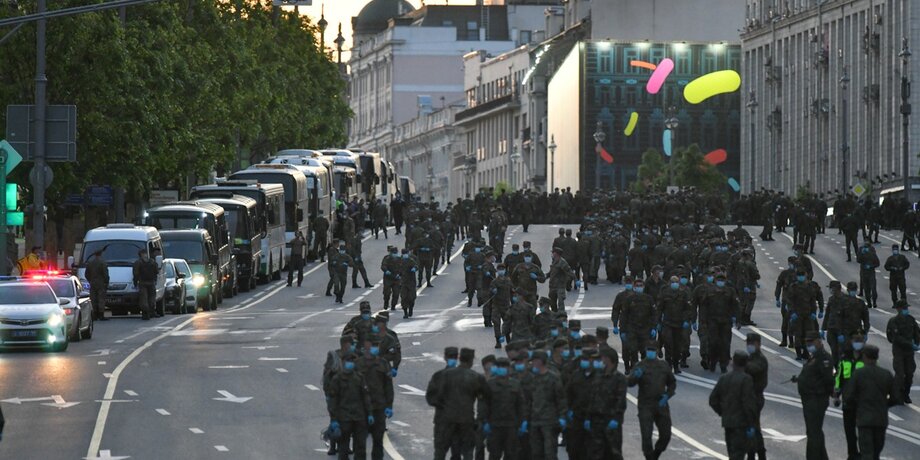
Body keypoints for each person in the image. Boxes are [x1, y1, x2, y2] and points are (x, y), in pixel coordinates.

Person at [843, 344, 899, 460]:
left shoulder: (858, 374)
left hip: (864, 419)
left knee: (867, 452)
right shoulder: (886, 374)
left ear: (864, 356)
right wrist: (884, 405)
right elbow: (896, 397)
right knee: (876, 452)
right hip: (881, 419)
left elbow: (848, 397)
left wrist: (858, 405)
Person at [627, 341, 676, 460]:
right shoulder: (640, 366)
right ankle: (649, 457)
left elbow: (672, 382)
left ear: (657, 351)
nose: (651, 352)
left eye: (653, 350)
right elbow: (630, 383)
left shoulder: (664, 366)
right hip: (645, 405)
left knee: (666, 434)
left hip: (661, 404)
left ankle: (656, 454)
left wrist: (667, 395)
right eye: (649, 350)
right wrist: (635, 376)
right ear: (645, 350)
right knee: (646, 435)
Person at [438, 348, 489, 460]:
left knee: (452, 451)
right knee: (467, 451)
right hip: (467, 420)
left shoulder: (446, 375)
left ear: (459, 358)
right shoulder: (476, 377)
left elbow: (436, 397)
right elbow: (485, 398)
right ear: (471, 361)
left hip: (449, 419)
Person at [792, 331, 834, 460]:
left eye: (811, 342)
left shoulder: (823, 358)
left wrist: (830, 393)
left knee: (813, 432)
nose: (808, 345)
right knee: (814, 431)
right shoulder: (814, 356)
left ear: (819, 341)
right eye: (807, 342)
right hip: (810, 399)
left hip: (816, 399)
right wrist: (800, 379)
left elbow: (828, 379)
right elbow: (813, 375)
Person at [709, 351, 758, 460]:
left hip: (728, 422)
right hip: (742, 424)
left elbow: (713, 400)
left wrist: (723, 412)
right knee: (738, 454)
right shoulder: (746, 380)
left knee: (732, 452)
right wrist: (751, 423)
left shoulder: (724, 378)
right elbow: (748, 404)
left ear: (733, 362)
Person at [326, 352, 372, 460]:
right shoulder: (337, 379)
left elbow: (366, 397)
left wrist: (370, 413)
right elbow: (333, 401)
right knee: (343, 447)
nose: (350, 363)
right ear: (343, 362)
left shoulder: (359, 378)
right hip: (344, 418)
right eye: (348, 361)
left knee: (360, 447)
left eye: (352, 361)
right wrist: (334, 419)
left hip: (359, 417)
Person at [586, 347, 628, 460]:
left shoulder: (619, 379)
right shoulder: (597, 376)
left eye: (602, 358)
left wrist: (616, 419)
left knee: (613, 453)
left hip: (611, 422)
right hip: (596, 422)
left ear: (609, 360)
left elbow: (621, 402)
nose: (600, 361)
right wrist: (588, 418)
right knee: (595, 454)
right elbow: (591, 398)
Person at [358, 337, 394, 460]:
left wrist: (389, 406)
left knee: (378, 441)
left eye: (377, 345)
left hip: (379, 407)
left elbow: (388, 387)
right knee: (360, 443)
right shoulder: (358, 364)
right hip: (361, 409)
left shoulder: (383, 364)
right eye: (373, 345)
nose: (375, 348)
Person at [526, 350, 567, 460]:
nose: (533, 363)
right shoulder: (532, 378)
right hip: (535, 420)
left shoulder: (553, 378)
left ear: (540, 361)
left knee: (550, 453)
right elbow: (528, 400)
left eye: (534, 361)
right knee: (536, 453)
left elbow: (561, 399)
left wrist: (562, 417)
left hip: (549, 421)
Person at [481, 357, 525, 460]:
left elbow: (521, 405)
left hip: (511, 426)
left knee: (511, 454)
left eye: (505, 366)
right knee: (494, 454)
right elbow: (485, 405)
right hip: (495, 425)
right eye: (500, 366)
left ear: (509, 368)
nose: (503, 369)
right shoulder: (490, 384)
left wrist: (522, 421)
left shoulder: (516, 384)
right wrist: (485, 421)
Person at [834, 331, 866, 459]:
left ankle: (864, 453)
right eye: (855, 341)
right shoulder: (845, 357)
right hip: (848, 398)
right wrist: (837, 394)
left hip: (863, 399)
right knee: (849, 429)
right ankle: (852, 453)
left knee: (863, 429)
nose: (857, 343)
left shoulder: (867, 358)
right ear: (851, 342)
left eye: (860, 341)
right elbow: (839, 376)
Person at [427, 347, 459, 459]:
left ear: (444, 357)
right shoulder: (464, 376)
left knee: (442, 453)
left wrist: (442, 405)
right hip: (455, 421)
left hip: (445, 421)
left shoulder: (438, 376)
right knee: (453, 454)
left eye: (453, 357)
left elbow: (430, 397)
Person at [886, 299, 920, 404]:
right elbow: (894, 337)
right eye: (904, 308)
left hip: (909, 352)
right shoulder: (893, 321)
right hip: (899, 351)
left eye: (906, 308)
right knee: (900, 374)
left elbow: (917, 332)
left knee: (909, 373)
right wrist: (910, 344)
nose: (906, 310)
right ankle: (897, 395)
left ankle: (906, 394)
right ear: (898, 309)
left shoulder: (911, 320)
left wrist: (917, 343)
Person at [744, 334, 768, 460]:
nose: (749, 346)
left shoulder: (760, 359)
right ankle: (755, 453)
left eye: (752, 344)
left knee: (753, 428)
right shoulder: (751, 358)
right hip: (749, 398)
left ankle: (756, 454)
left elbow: (754, 369)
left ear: (758, 344)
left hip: (755, 398)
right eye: (748, 343)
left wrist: (741, 364)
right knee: (752, 427)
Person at [546, 247, 576, 312]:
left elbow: (569, 271)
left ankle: (561, 315)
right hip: (552, 286)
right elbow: (551, 272)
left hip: (560, 286)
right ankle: (554, 315)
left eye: (553, 252)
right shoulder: (554, 261)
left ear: (556, 254)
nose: (552, 254)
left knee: (560, 303)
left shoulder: (562, 262)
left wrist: (575, 280)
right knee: (552, 303)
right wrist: (546, 276)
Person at [132, 249, 159, 320]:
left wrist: (135, 282)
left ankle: (145, 313)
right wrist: (155, 280)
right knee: (152, 298)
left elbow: (135, 274)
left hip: (142, 283)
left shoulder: (138, 262)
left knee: (144, 299)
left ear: (140, 255)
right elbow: (157, 271)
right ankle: (152, 312)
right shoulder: (152, 261)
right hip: (151, 282)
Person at [84, 249, 109, 321]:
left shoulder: (90, 263)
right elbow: (105, 274)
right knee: (101, 298)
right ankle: (101, 314)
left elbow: (86, 274)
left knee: (93, 298)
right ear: (101, 254)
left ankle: (95, 314)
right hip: (101, 283)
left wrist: (90, 280)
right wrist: (106, 282)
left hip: (93, 282)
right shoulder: (103, 262)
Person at [857, 242, 879, 309]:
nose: (865, 249)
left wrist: (871, 266)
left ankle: (874, 302)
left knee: (873, 288)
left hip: (871, 273)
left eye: (866, 247)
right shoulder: (862, 254)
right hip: (864, 272)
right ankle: (869, 303)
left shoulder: (873, 255)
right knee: (866, 289)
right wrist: (861, 254)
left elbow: (877, 263)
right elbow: (858, 260)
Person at [380, 246, 402, 311]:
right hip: (388, 278)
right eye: (393, 253)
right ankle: (386, 303)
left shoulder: (400, 259)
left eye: (396, 252)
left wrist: (400, 274)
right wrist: (386, 271)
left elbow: (403, 267)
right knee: (387, 293)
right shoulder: (387, 258)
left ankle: (393, 305)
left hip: (396, 278)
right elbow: (383, 266)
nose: (395, 254)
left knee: (396, 293)